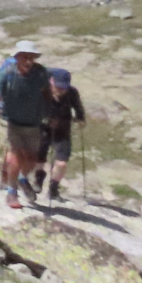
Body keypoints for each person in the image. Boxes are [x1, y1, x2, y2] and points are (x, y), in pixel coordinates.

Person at [0, 39, 51, 209]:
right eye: (25, 57)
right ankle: (12, 191)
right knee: (14, 156)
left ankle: (23, 178)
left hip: (32, 122)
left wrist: (49, 112)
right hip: (9, 121)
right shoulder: (7, 73)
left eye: (31, 57)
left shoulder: (40, 73)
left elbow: (46, 93)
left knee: (31, 159)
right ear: (17, 57)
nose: (28, 61)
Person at [32, 68, 86, 201]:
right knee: (39, 158)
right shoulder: (41, 92)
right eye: (58, 86)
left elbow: (78, 108)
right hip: (42, 129)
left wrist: (80, 118)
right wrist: (46, 120)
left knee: (61, 163)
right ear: (51, 81)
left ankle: (54, 188)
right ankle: (38, 179)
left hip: (63, 130)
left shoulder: (72, 93)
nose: (60, 90)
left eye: (63, 87)